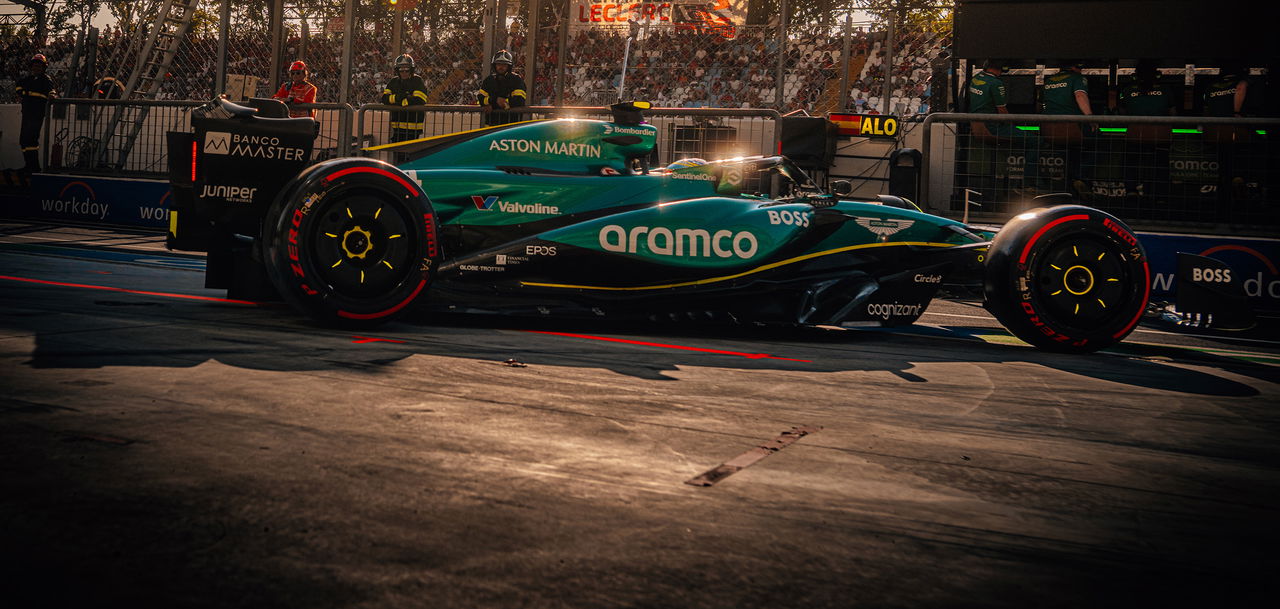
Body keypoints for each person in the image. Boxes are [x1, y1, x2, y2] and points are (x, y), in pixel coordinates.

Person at [15, 54, 56, 174]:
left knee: (31, 140)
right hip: (27, 114)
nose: (36, 68)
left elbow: (51, 90)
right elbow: (18, 86)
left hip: (36, 115)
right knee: (23, 141)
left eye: (39, 66)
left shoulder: (45, 80)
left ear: (44, 68)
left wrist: (52, 94)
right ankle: (29, 166)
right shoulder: (28, 79)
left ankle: (34, 168)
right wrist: (23, 92)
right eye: (34, 66)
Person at [381, 54, 428, 142]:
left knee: (412, 154)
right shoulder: (393, 82)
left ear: (411, 70)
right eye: (401, 70)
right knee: (398, 154)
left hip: (413, 128)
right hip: (397, 127)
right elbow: (384, 99)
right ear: (397, 71)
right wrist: (400, 97)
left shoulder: (417, 81)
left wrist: (399, 101)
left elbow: (420, 99)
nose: (404, 72)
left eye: (407, 70)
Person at [477, 50, 528, 126]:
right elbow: (480, 99)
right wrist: (496, 101)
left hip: (510, 126)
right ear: (495, 65)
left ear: (509, 66)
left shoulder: (516, 80)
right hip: (491, 125)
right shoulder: (489, 80)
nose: (501, 67)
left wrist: (494, 104)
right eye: (499, 64)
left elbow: (519, 101)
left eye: (504, 65)